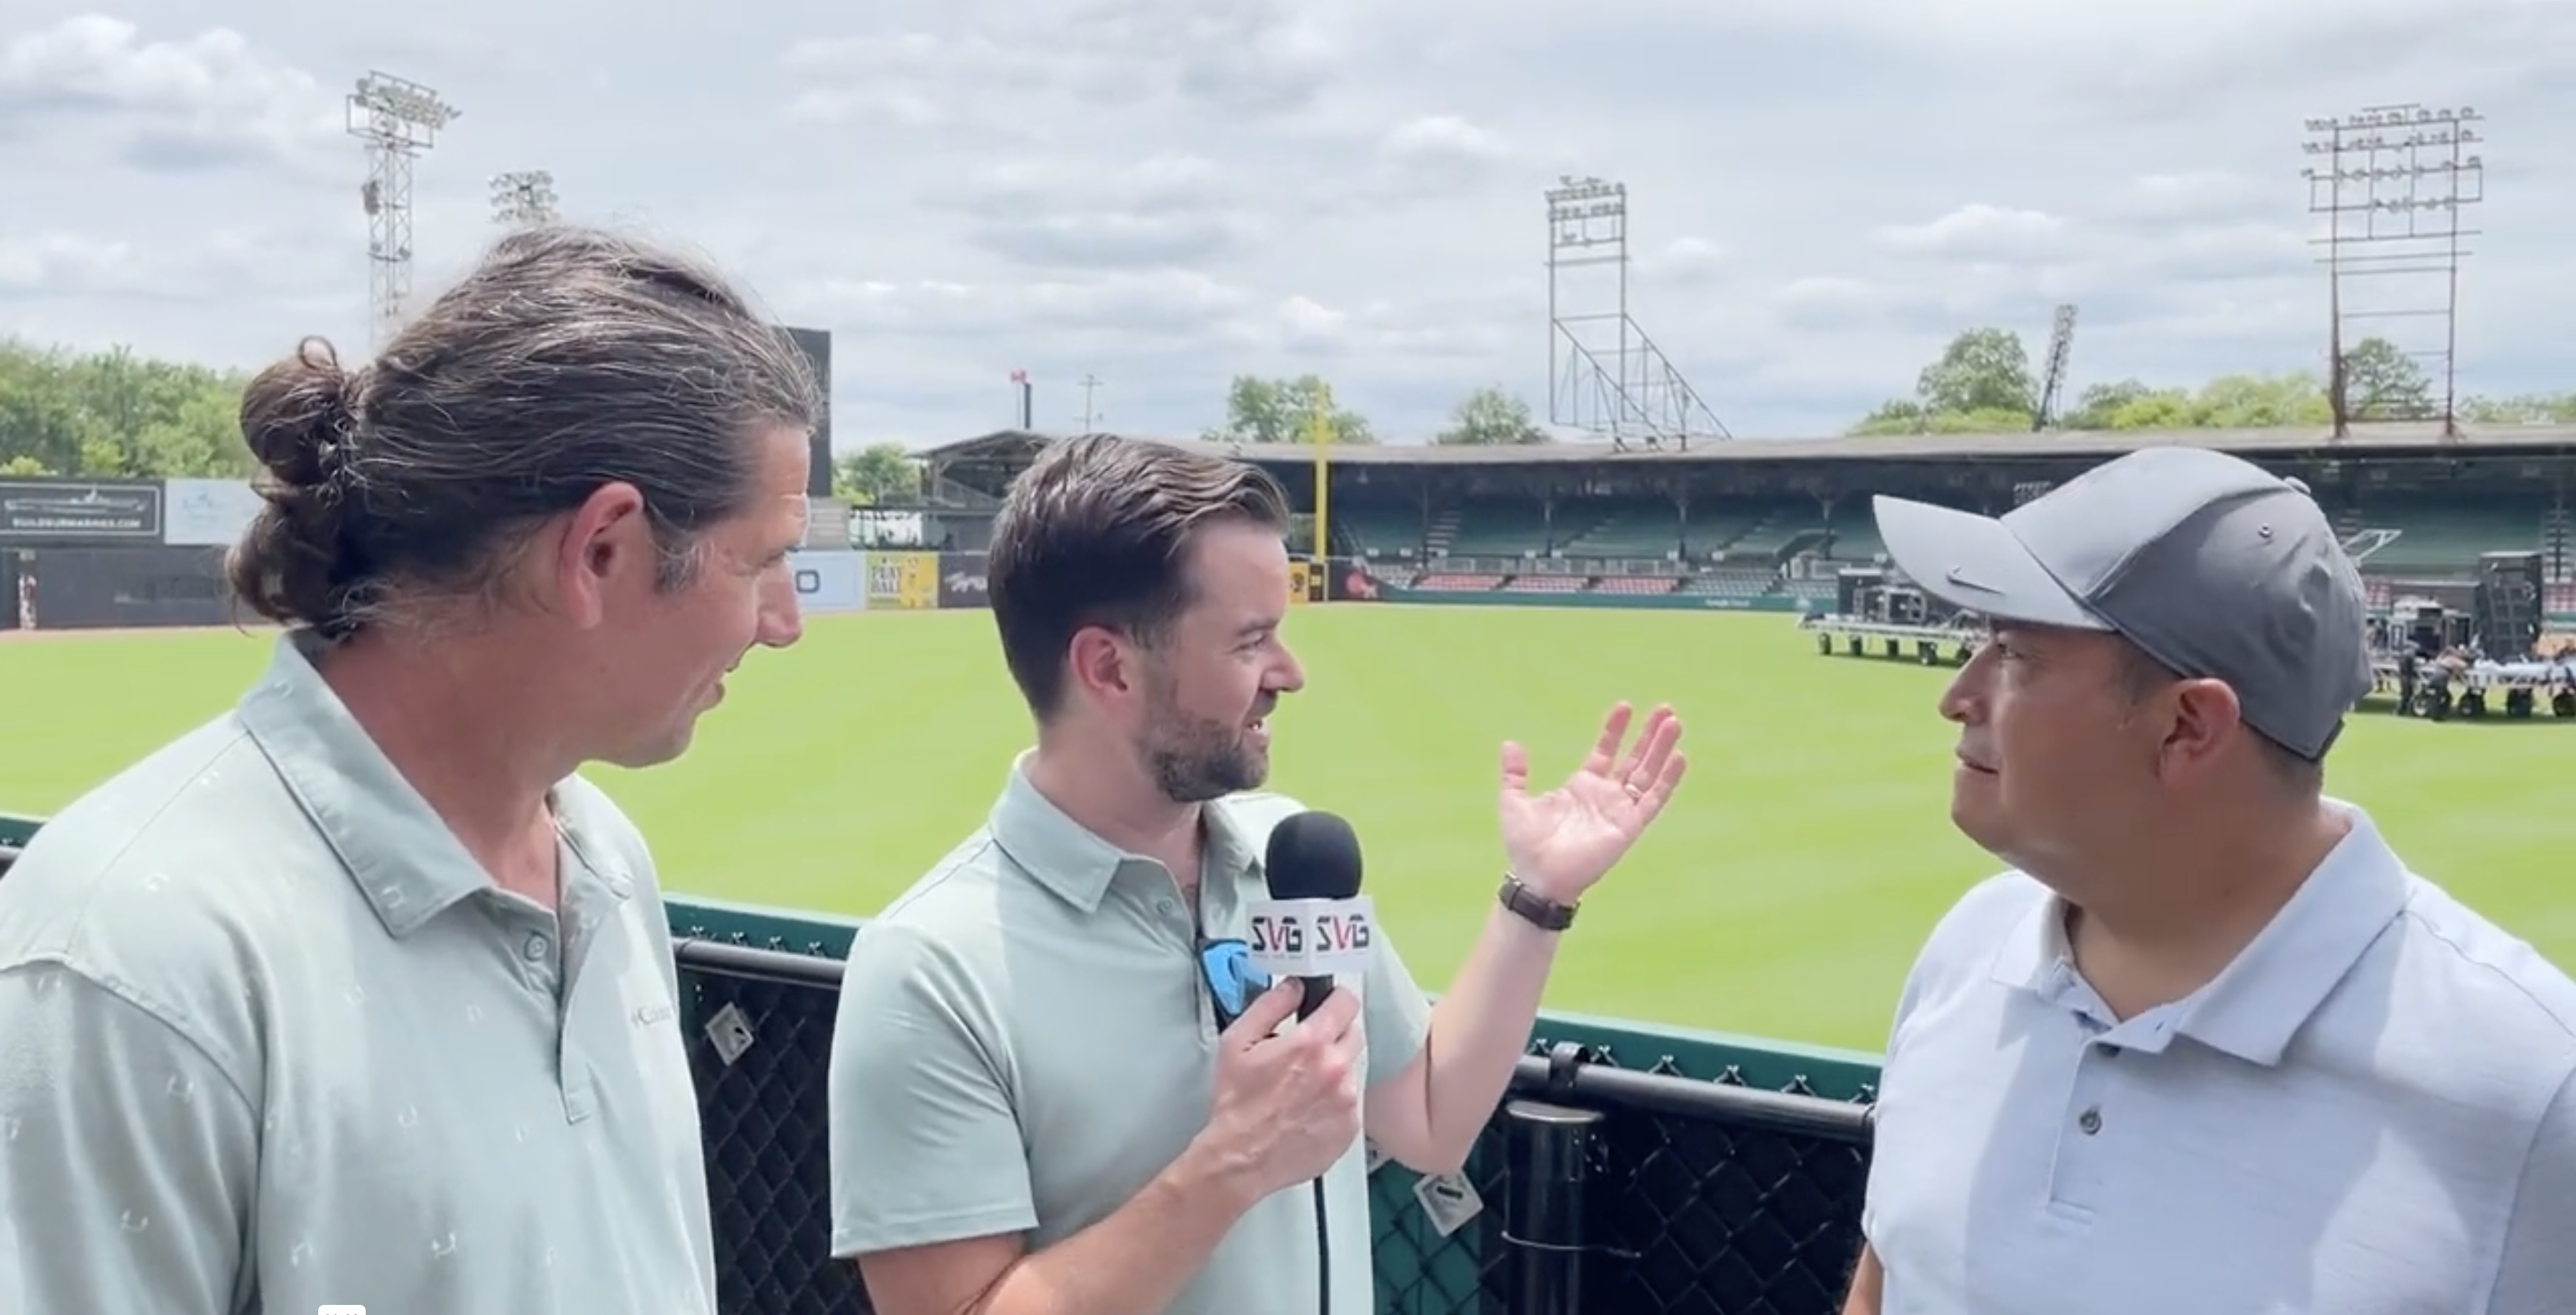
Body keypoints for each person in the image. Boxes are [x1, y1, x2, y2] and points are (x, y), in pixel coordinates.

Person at [0, 224, 822, 1315]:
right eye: (763, 562)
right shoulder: (135, 955)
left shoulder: (603, 860)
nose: (784, 623)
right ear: (604, 551)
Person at [827, 433, 1688, 1315]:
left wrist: (1536, 896)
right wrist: (1230, 1162)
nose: (1291, 673)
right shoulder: (929, 965)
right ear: (1109, 667)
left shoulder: (1286, 858)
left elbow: (1427, 1114)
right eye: (1250, 641)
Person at [1842, 446, 2576, 1315]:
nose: (1957, 695)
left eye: (2012, 653)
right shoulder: (1968, 947)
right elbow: (1893, 1272)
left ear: (2187, 725)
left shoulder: (2530, 1087)